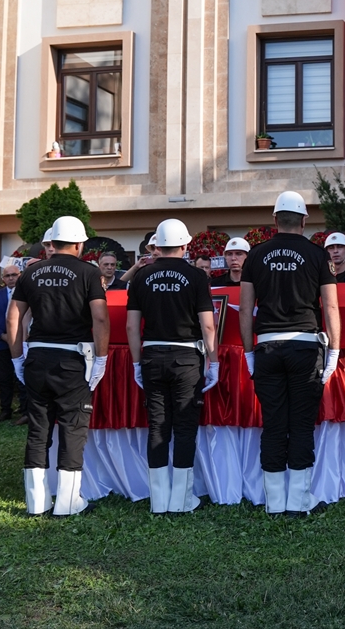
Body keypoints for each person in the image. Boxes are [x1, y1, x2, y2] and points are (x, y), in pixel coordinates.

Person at [240, 191, 341, 515]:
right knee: (300, 423)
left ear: (274, 220)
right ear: (304, 220)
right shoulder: (316, 255)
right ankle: (298, 501)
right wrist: (335, 351)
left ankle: (274, 501)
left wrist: (248, 352)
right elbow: (330, 305)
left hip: (267, 346)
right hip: (304, 346)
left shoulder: (255, 255)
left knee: (273, 423)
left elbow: (245, 310)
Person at [6, 216, 110, 517]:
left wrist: (16, 357)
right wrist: (101, 358)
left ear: (52, 242)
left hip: (37, 357)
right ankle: (68, 501)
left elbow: (14, 319)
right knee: (73, 427)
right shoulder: (88, 273)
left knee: (38, 429)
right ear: (79, 244)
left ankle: (36, 502)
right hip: (71, 358)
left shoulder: (31, 272)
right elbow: (100, 318)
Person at [126, 219, 220, 514]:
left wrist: (136, 362)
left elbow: (131, 326)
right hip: (186, 357)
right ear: (185, 244)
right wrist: (213, 360)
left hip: (152, 355)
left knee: (157, 426)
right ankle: (181, 499)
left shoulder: (142, 276)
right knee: (184, 426)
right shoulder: (195, 276)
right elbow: (208, 324)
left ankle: (159, 499)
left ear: (157, 245)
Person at [0, 264, 26, 423]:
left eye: (14, 275)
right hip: (1, 343)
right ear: (2, 278)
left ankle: (25, 411)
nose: (11, 278)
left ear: (19, 275)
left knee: (21, 377)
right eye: (7, 275)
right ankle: (6, 410)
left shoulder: (25, 294)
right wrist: (2, 335)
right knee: (4, 378)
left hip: (21, 342)